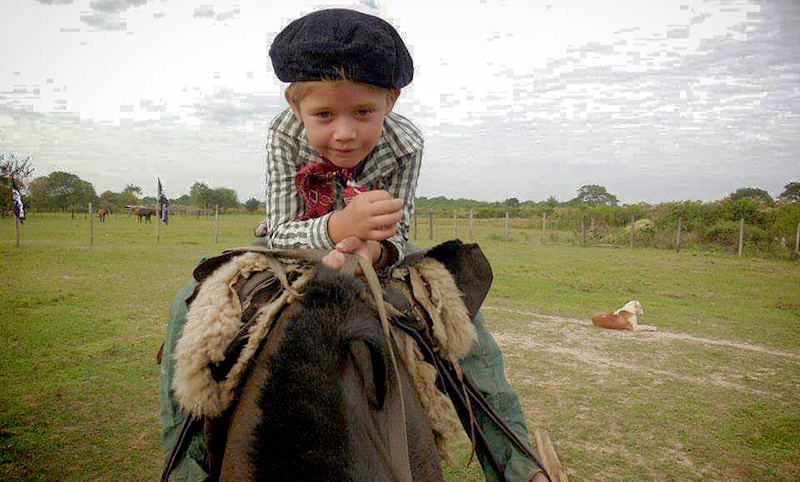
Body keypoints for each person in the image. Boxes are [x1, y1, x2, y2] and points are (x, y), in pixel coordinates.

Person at [161, 8, 547, 482]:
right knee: (190, 302)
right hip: (291, 245)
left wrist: (376, 252)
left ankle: (518, 467)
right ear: (294, 104)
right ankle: (183, 467)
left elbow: (399, 231)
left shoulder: (407, 144)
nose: (344, 133)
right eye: (324, 115)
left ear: (391, 99)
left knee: (461, 317)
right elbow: (281, 226)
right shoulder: (283, 136)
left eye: (363, 112)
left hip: (375, 254)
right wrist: (339, 225)